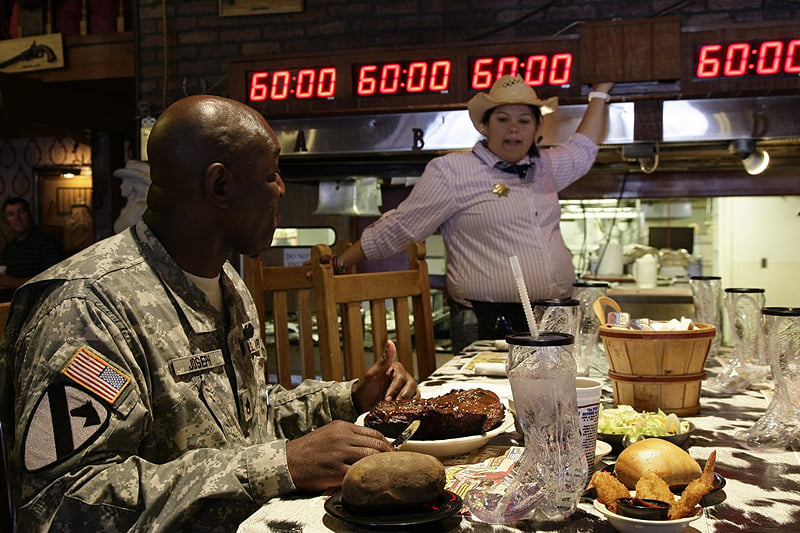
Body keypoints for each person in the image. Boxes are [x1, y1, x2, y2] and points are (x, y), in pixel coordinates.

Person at [0, 95, 419, 531]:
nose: (280, 188)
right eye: (272, 172)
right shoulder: (87, 306)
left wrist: (350, 398)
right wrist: (280, 464)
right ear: (219, 186)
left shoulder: (225, 282)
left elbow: (244, 420)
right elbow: (63, 501)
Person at [334, 75, 615, 352]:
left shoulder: (546, 167)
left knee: (551, 397)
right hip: (487, 322)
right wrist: (340, 262)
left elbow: (584, 147)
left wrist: (601, 89)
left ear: (537, 128)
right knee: (485, 398)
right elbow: (401, 226)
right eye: (503, 119)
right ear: (484, 125)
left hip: (554, 319)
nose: (513, 129)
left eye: (524, 120)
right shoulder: (453, 171)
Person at [0, 197, 62, 300]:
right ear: (6, 220)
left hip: (38, 305)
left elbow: (52, 280)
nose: (17, 218)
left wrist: (13, 282)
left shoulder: (46, 243)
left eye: (21, 212)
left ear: (29, 214)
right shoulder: (8, 249)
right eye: (11, 214)